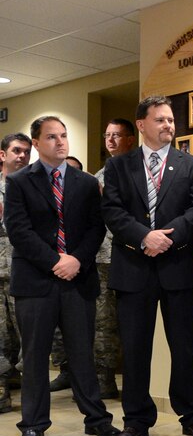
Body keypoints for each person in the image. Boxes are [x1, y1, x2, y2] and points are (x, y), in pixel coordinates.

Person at [101, 96, 193, 436]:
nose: (168, 125)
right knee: (135, 349)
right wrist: (144, 236)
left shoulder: (192, 164)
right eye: (161, 120)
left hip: (179, 265)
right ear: (141, 124)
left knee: (183, 346)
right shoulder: (119, 167)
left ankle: (192, 415)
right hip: (134, 267)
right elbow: (113, 211)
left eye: (170, 120)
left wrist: (166, 239)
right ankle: (136, 421)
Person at [4, 116, 119, 436]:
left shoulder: (85, 183)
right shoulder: (20, 182)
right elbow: (19, 231)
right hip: (36, 281)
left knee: (83, 353)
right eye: (51, 137)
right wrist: (56, 261)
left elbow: (96, 228)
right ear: (37, 144)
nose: (60, 141)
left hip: (77, 280)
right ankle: (34, 424)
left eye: (64, 136)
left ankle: (96, 419)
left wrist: (76, 260)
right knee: (36, 355)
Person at [51, 120, 136, 398]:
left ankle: (116, 378)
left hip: (130, 256)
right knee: (101, 321)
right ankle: (102, 378)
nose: (111, 141)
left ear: (131, 139)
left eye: (117, 136)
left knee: (124, 322)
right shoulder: (96, 177)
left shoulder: (137, 170)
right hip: (98, 258)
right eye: (107, 135)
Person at [0, 133, 31, 413]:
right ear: (3, 155)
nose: (21, 156)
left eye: (26, 152)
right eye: (16, 151)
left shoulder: (35, 186)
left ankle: (31, 394)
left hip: (26, 273)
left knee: (29, 336)